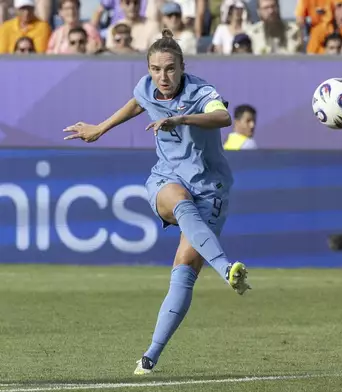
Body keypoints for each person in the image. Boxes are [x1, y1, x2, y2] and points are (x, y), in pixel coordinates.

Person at [62, 28, 251, 375]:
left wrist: (180, 118)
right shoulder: (147, 87)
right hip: (167, 179)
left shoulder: (201, 91)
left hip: (210, 188)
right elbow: (138, 102)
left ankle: (149, 358)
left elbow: (223, 117)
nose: (162, 77)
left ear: (182, 66)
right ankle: (226, 268)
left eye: (169, 68)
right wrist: (100, 128)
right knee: (178, 198)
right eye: (155, 69)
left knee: (183, 272)